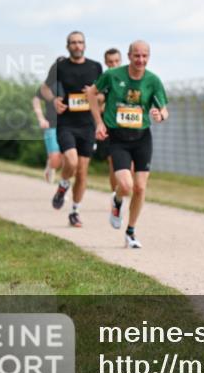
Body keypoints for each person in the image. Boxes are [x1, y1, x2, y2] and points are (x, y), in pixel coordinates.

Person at [87, 40, 168, 249]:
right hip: (118, 138)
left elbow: (164, 109)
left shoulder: (153, 81)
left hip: (142, 138)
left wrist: (160, 115)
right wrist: (98, 123)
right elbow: (90, 93)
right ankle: (117, 201)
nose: (141, 60)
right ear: (129, 56)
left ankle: (130, 232)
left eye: (145, 56)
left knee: (140, 188)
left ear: (149, 57)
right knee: (126, 185)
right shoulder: (114, 76)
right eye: (137, 56)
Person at [40, 32, 104, 227]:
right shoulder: (60, 66)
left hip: (87, 125)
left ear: (85, 45)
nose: (77, 46)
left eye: (80, 42)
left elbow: (103, 95)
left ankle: (75, 211)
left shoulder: (95, 67)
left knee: (83, 172)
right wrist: (53, 100)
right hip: (66, 123)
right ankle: (64, 184)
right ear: (68, 46)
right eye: (73, 43)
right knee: (72, 161)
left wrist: (93, 95)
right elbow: (44, 89)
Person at [92, 47, 123, 194]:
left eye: (116, 61)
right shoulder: (103, 80)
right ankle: (115, 196)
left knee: (131, 166)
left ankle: (123, 191)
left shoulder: (129, 77)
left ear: (121, 61)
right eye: (110, 62)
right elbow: (97, 98)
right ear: (105, 63)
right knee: (113, 162)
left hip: (128, 126)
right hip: (109, 127)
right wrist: (98, 100)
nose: (113, 64)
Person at [31, 70, 63, 183]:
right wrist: (41, 118)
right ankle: (50, 166)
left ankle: (62, 188)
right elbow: (36, 100)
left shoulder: (73, 83)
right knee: (55, 159)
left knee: (67, 157)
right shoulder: (48, 85)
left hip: (69, 126)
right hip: (52, 124)